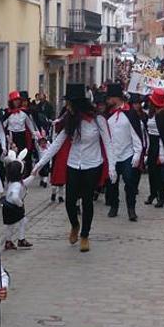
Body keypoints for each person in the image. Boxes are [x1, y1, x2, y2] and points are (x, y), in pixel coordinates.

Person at [32, 84, 115, 253]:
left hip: (93, 164)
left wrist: (112, 167)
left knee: (86, 201)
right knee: (70, 200)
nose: (67, 106)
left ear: (76, 104)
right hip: (74, 163)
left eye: (69, 103)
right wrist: (40, 163)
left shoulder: (98, 120)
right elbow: (57, 143)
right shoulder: (69, 120)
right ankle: (75, 225)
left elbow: (108, 143)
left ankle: (85, 235)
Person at [104, 84, 146, 222]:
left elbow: (137, 135)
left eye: (109, 98)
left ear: (115, 98)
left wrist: (137, 154)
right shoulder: (107, 114)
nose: (107, 101)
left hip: (127, 154)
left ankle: (131, 209)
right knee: (112, 183)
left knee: (130, 182)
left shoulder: (131, 113)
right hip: (113, 155)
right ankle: (114, 206)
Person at [2, 149, 34, 250]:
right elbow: (15, 196)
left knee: (10, 225)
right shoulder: (16, 184)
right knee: (23, 221)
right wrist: (20, 204)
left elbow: (24, 183)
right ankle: (21, 240)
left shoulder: (13, 181)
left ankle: (9, 241)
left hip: (7, 206)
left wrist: (33, 176)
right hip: (13, 206)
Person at [145, 89, 164, 208]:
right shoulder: (152, 113)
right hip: (151, 143)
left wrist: (161, 152)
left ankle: (162, 198)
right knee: (151, 172)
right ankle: (152, 194)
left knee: (159, 174)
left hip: (159, 144)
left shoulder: (163, 114)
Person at [3, 90, 38, 176]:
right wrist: (6, 136)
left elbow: (30, 125)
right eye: (15, 100)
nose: (17, 102)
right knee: (12, 155)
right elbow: (3, 126)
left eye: (18, 100)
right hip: (12, 136)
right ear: (11, 102)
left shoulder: (24, 112)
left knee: (22, 155)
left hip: (22, 136)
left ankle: (21, 172)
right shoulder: (7, 113)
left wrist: (35, 135)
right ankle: (11, 173)